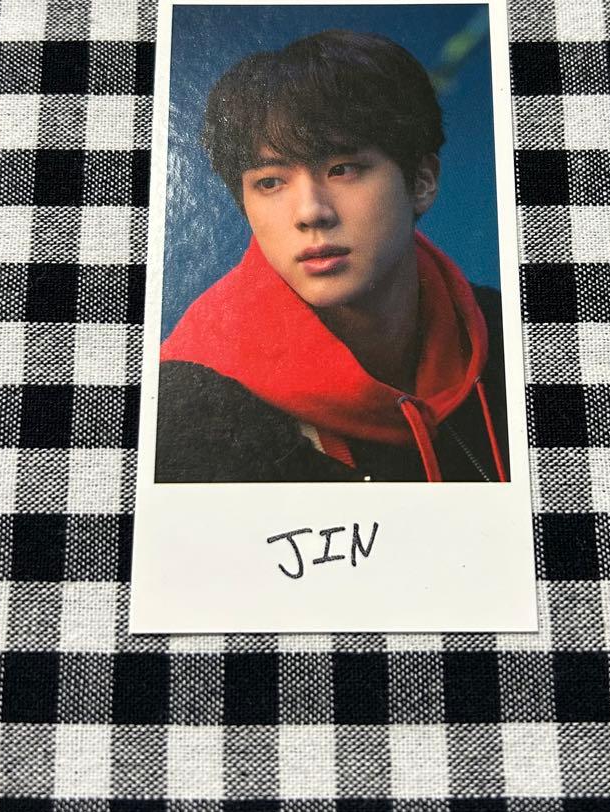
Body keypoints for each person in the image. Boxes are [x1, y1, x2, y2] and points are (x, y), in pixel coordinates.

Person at [155, 29, 509, 482]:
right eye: (270, 182)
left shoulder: (505, 331)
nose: (310, 213)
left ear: (421, 181)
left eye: (342, 169)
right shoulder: (187, 409)